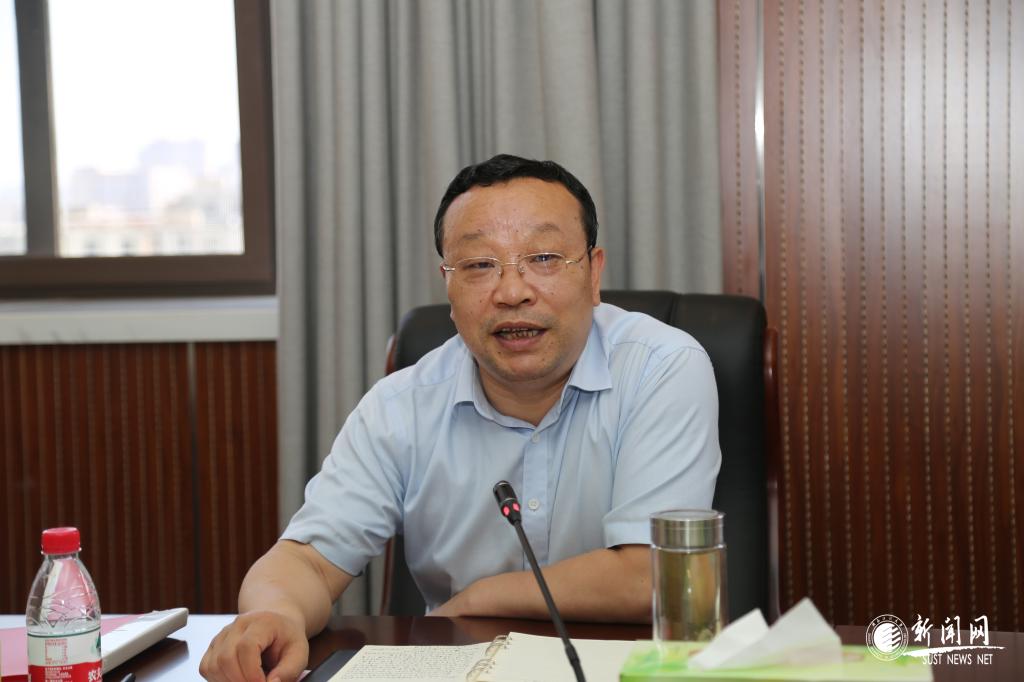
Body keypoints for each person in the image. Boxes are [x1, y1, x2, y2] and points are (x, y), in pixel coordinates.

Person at [200, 155, 721, 682]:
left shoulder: (661, 367)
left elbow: (655, 577)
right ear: (447, 286)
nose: (512, 292)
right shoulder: (401, 405)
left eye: (543, 257)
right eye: (478, 265)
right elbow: (307, 561)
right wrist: (275, 615)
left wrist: (480, 598)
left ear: (593, 273)